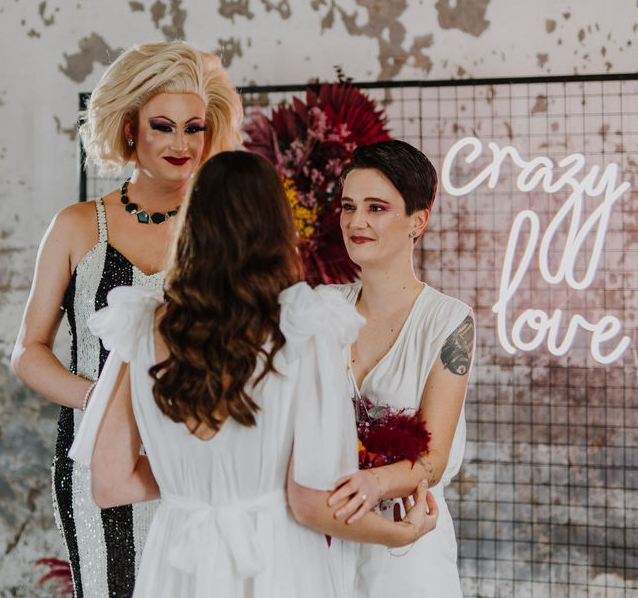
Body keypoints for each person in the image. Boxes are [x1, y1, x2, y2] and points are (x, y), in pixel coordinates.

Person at [67, 151, 438, 598]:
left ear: (191, 224)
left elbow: (109, 484)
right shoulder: (302, 328)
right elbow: (309, 503)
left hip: (176, 565)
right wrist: (397, 534)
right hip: (275, 563)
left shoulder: (142, 326)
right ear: (275, 227)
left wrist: (199, 477)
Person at [10, 41, 243, 598]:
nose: (182, 144)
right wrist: (104, 401)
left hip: (200, 464)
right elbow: (28, 352)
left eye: (195, 127)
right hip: (98, 463)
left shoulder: (227, 232)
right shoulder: (76, 227)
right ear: (130, 127)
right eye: (163, 126)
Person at [324, 140, 475, 597]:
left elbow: (432, 458)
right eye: (349, 206)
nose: (356, 221)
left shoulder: (449, 320)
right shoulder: (319, 308)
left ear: (418, 221)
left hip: (408, 540)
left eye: (377, 207)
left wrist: (373, 482)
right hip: (323, 533)